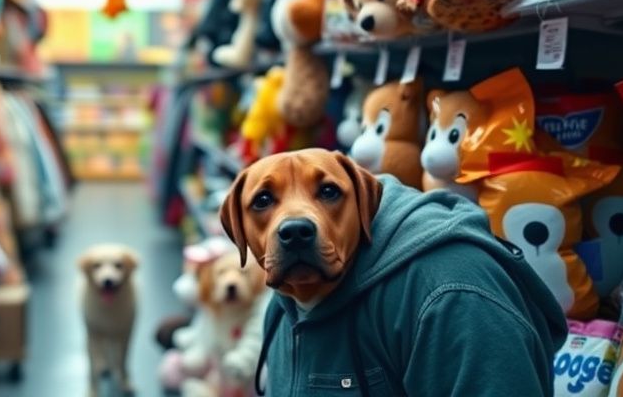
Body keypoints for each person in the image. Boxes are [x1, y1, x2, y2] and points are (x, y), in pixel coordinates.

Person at [220, 149, 566, 396]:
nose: (294, 224)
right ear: (239, 228)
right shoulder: (283, 303)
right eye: (264, 201)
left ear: (365, 205)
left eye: (328, 192)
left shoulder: (450, 293)